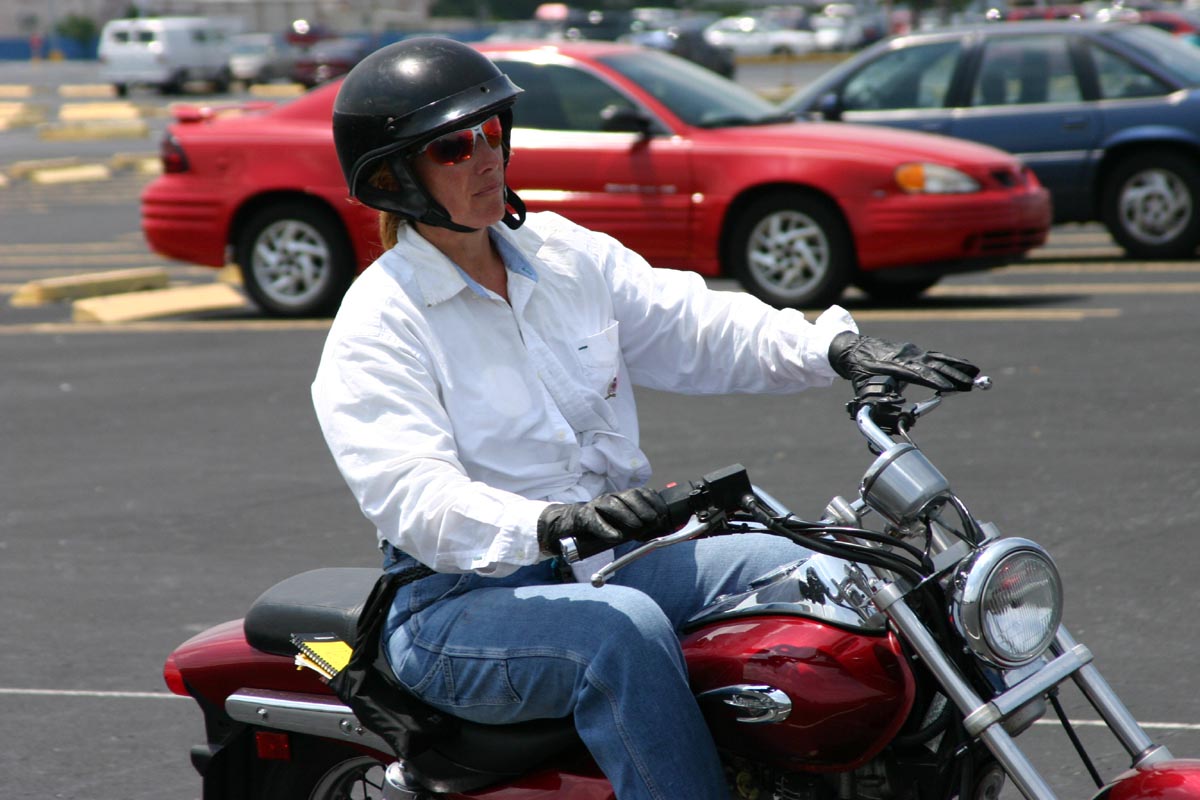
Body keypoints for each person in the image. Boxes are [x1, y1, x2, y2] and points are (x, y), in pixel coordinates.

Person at [312, 37, 978, 800]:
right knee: (618, 631)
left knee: (823, 570)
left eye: (492, 131)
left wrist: (836, 349)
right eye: (455, 147)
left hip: (612, 557)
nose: (488, 156)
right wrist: (554, 524)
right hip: (458, 605)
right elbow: (417, 499)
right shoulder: (381, 322)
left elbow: (694, 325)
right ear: (393, 177)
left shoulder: (560, 255)